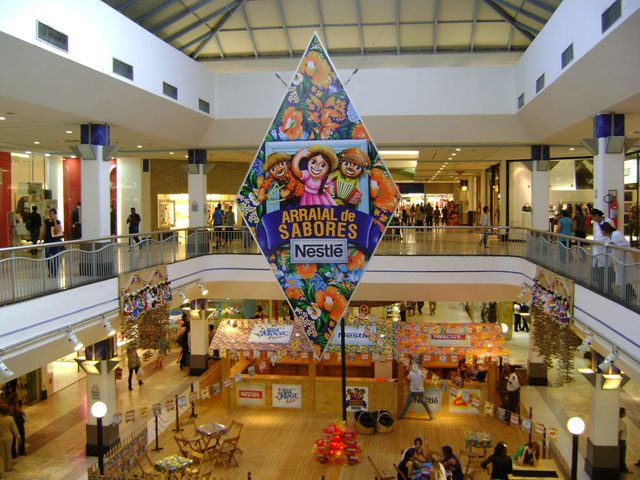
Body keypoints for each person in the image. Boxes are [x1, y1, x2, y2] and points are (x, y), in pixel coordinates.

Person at [39, 208, 64, 276]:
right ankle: (51, 271)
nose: (51, 215)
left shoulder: (58, 222)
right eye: (50, 213)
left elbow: (56, 231)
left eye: (53, 214)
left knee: (55, 256)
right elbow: (44, 231)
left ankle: (55, 272)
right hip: (47, 241)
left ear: (55, 214)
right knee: (47, 256)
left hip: (55, 241)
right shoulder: (46, 221)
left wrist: (55, 221)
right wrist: (40, 239)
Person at [0, 404, 20, 475]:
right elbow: (14, 429)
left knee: (1, 454)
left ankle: (1, 469)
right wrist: (18, 436)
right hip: (9, 438)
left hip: (1, 438)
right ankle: (8, 467)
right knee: (8, 452)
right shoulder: (10, 418)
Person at [619, 407, 631, 473]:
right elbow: (620, 431)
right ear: (621, 414)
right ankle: (623, 469)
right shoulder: (621, 422)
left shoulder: (617, 420)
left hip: (620, 440)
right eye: (624, 413)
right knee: (622, 454)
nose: (625, 414)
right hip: (622, 440)